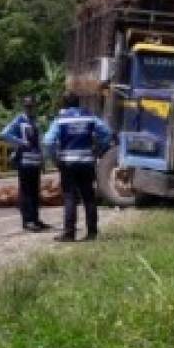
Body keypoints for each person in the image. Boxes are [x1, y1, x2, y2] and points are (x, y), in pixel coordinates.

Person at [43, 93, 113, 243]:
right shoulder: (89, 117)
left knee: (70, 197)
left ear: (64, 104)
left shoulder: (60, 120)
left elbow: (48, 141)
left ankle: (69, 234)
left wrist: (55, 159)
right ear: (79, 102)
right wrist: (99, 150)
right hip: (87, 162)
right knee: (89, 197)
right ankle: (92, 233)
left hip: (68, 163)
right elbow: (107, 134)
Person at [0, 96, 49, 232]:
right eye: (28, 106)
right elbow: (4, 133)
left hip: (35, 161)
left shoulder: (36, 122)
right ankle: (27, 221)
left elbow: (40, 142)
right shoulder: (19, 120)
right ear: (24, 107)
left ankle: (35, 218)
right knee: (26, 192)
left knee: (35, 191)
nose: (30, 108)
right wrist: (20, 142)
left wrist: (43, 160)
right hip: (24, 161)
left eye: (32, 106)